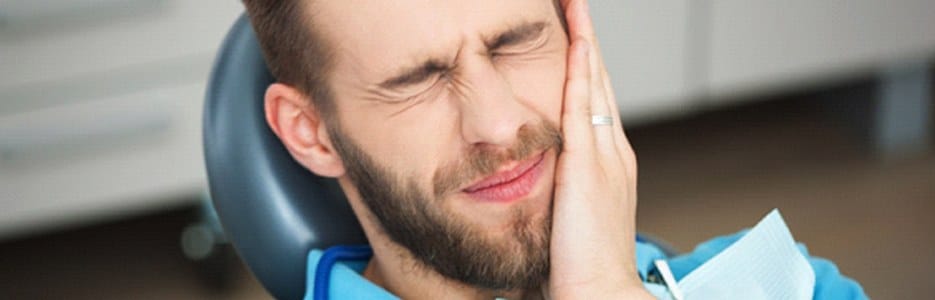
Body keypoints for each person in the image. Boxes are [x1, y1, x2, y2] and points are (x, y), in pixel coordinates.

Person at [244, 0, 868, 299]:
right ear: (312, 132)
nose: (500, 122)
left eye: (514, 41)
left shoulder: (784, 283)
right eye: (420, 79)